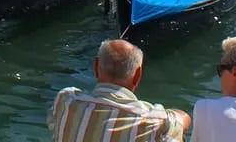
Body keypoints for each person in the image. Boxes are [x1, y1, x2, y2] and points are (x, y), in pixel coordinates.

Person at [48, 39, 191, 141]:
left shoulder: (66, 100)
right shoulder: (153, 122)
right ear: (137, 75)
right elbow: (183, 120)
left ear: (96, 67)